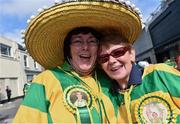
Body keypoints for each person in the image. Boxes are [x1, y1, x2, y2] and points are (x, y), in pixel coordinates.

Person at [13, 0, 143, 123]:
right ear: (68, 49)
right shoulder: (46, 80)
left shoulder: (108, 77)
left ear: (98, 49)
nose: (85, 47)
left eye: (92, 41)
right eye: (78, 41)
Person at [98, 28, 180, 123]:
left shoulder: (158, 74)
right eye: (104, 58)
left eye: (118, 52)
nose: (111, 61)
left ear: (131, 54)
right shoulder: (107, 97)